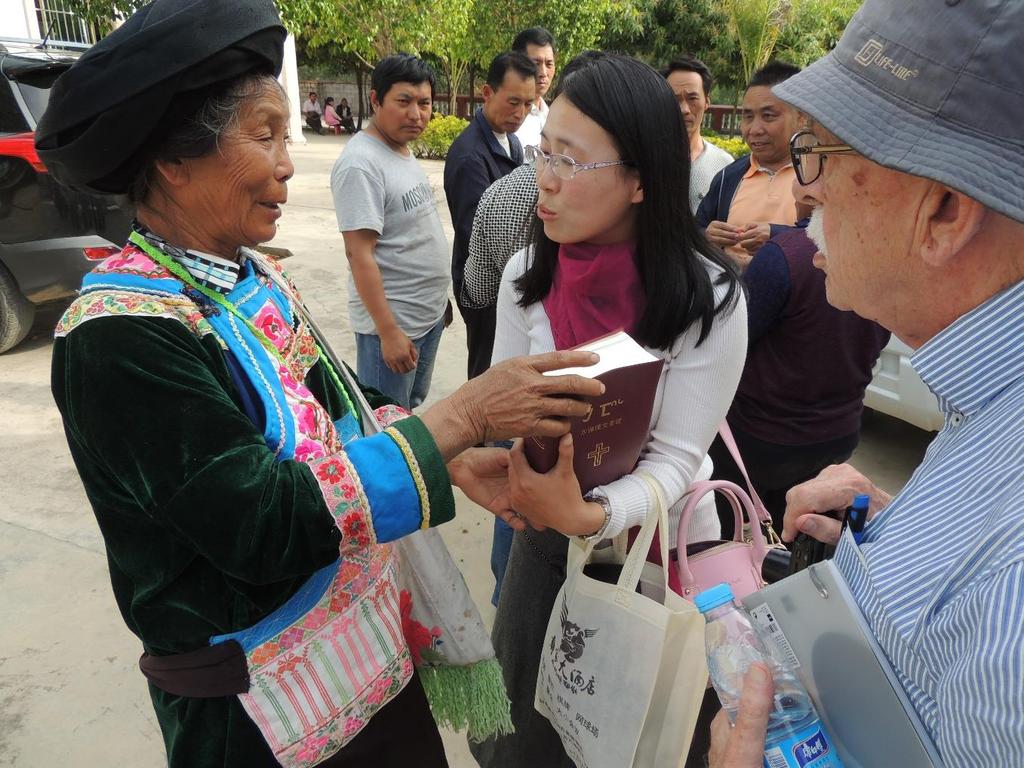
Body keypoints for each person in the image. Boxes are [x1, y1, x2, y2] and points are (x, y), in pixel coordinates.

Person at [33, 3, 606, 766]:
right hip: (263, 711)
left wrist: (447, 462)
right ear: (173, 160)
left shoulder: (247, 274)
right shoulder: (119, 336)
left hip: (367, 654)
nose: (287, 164)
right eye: (263, 135)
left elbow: (331, 410)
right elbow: (262, 521)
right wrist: (461, 418)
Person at [710, 0, 1024, 765]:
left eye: (817, 152)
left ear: (943, 212)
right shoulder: (985, 401)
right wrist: (903, 534)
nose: (804, 191)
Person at [470, 51, 747, 768]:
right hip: (547, 547)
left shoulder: (708, 299)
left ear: (638, 182)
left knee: (640, 741)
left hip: (663, 553)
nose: (546, 181)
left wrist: (593, 516)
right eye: (544, 153)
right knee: (527, 741)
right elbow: (504, 411)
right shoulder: (525, 280)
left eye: (573, 161)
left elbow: (679, 458)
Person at [708, 220, 890, 536]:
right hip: (838, 432)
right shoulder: (887, 253)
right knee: (798, 536)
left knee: (729, 538)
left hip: (760, 433)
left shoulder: (786, 256)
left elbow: (730, 341)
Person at [331, 55, 450, 410]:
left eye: (424, 103)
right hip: (394, 326)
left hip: (425, 316)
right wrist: (388, 332)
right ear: (375, 100)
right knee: (387, 420)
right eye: (404, 101)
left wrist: (437, 297)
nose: (416, 114)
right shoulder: (360, 164)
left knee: (409, 405)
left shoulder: (400, 149)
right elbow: (359, 254)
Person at [444, 51, 536, 380]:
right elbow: (475, 233)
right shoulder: (471, 156)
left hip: (505, 278)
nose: (520, 113)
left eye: (528, 104)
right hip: (482, 282)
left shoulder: (510, 141)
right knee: (487, 372)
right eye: (513, 102)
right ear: (487, 93)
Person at [696, 62, 802, 268]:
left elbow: (836, 239)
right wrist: (706, 237)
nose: (754, 129)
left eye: (768, 116)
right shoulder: (729, 177)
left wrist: (777, 238)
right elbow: (694, 232)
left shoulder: (821, 176)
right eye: (747, 116)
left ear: (801, 117)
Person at [661, 55, 733, 212]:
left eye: (692, 98)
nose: (684, 109)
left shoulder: (724, 165)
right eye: (674, 99)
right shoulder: (644, 159)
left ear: (707, 101)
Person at [512, 26, 556, 150]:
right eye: (536, 63)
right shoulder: (509, 120)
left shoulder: (552, 117)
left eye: (549, 64)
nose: (543, 72)